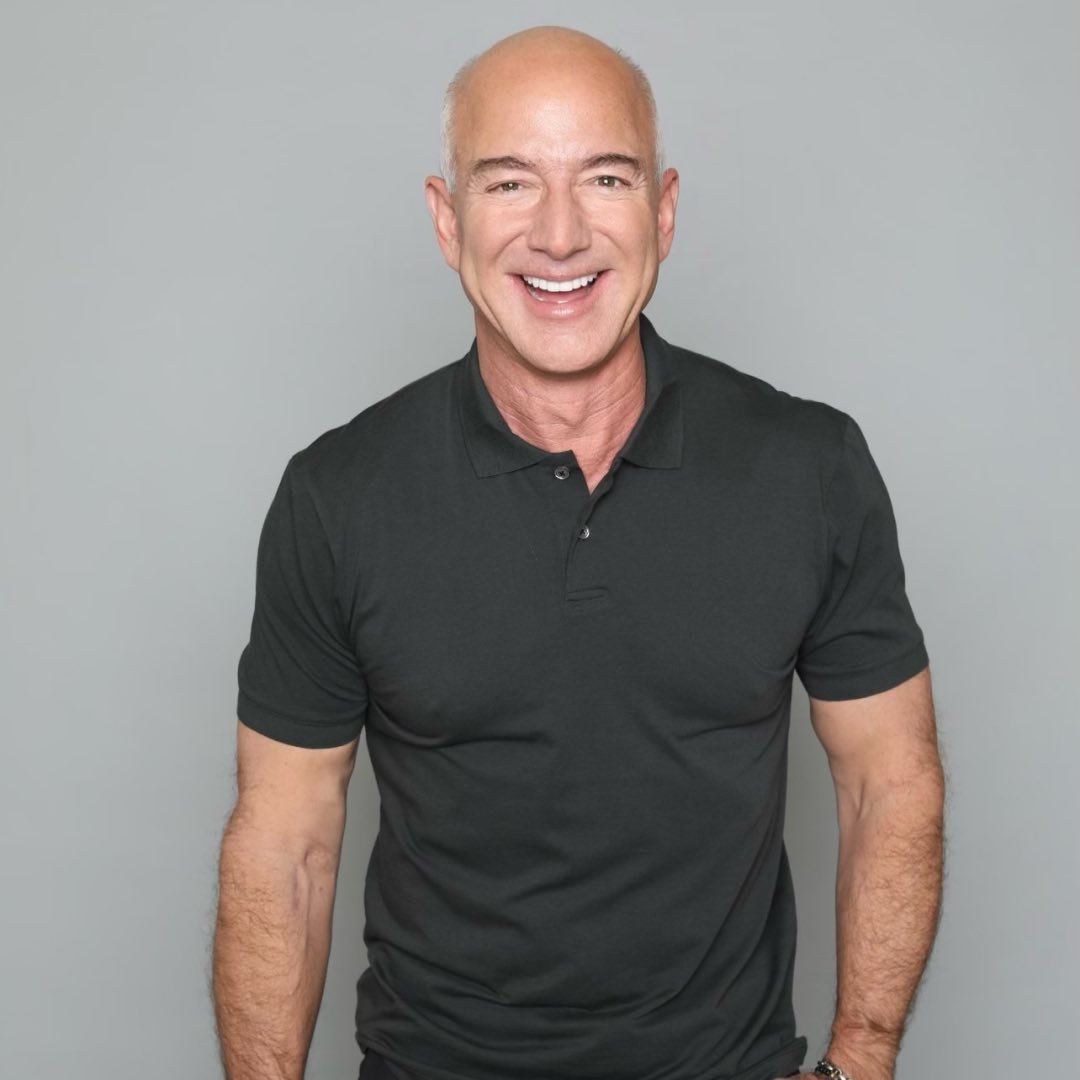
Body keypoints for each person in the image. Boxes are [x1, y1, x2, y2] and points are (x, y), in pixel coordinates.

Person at [212, 25, 944, 1080]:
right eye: (509, 182)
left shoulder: (809, 468)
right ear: (446, 219)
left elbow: (890, 780)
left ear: (664, 211)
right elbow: (284, 842)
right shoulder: (337, 496)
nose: (560, 235)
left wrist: (860, 1058)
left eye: (605, 178)